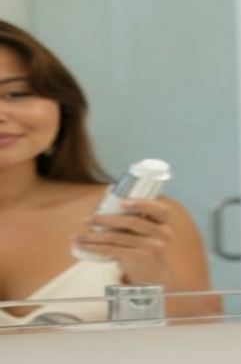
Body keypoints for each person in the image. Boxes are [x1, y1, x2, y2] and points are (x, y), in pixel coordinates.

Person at [0, 19, 219, 324]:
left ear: (62, 104)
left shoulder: (137, 219)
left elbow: (209, 347)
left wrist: (152, 272)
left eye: (17, 93)